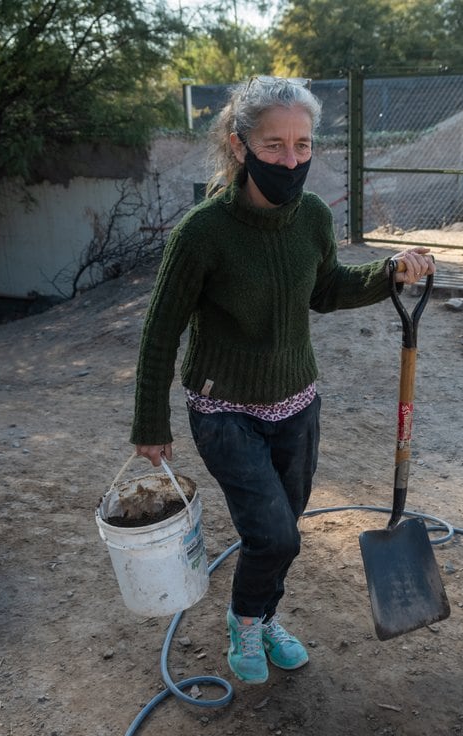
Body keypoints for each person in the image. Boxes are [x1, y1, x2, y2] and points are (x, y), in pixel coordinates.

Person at [130, 76, 434, 685]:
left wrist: (388, 274)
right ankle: (245, 621)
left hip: (297, 402)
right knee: (273, 534)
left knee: (284, 529)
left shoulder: (313, 217)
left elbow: (324, 290)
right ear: (241, 146)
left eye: (302, 145)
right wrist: (150, 424)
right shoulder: (202, 233)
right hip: (223, 411)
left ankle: (265, 616)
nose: (290, 159)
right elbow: (161, 331)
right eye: (273, 145)